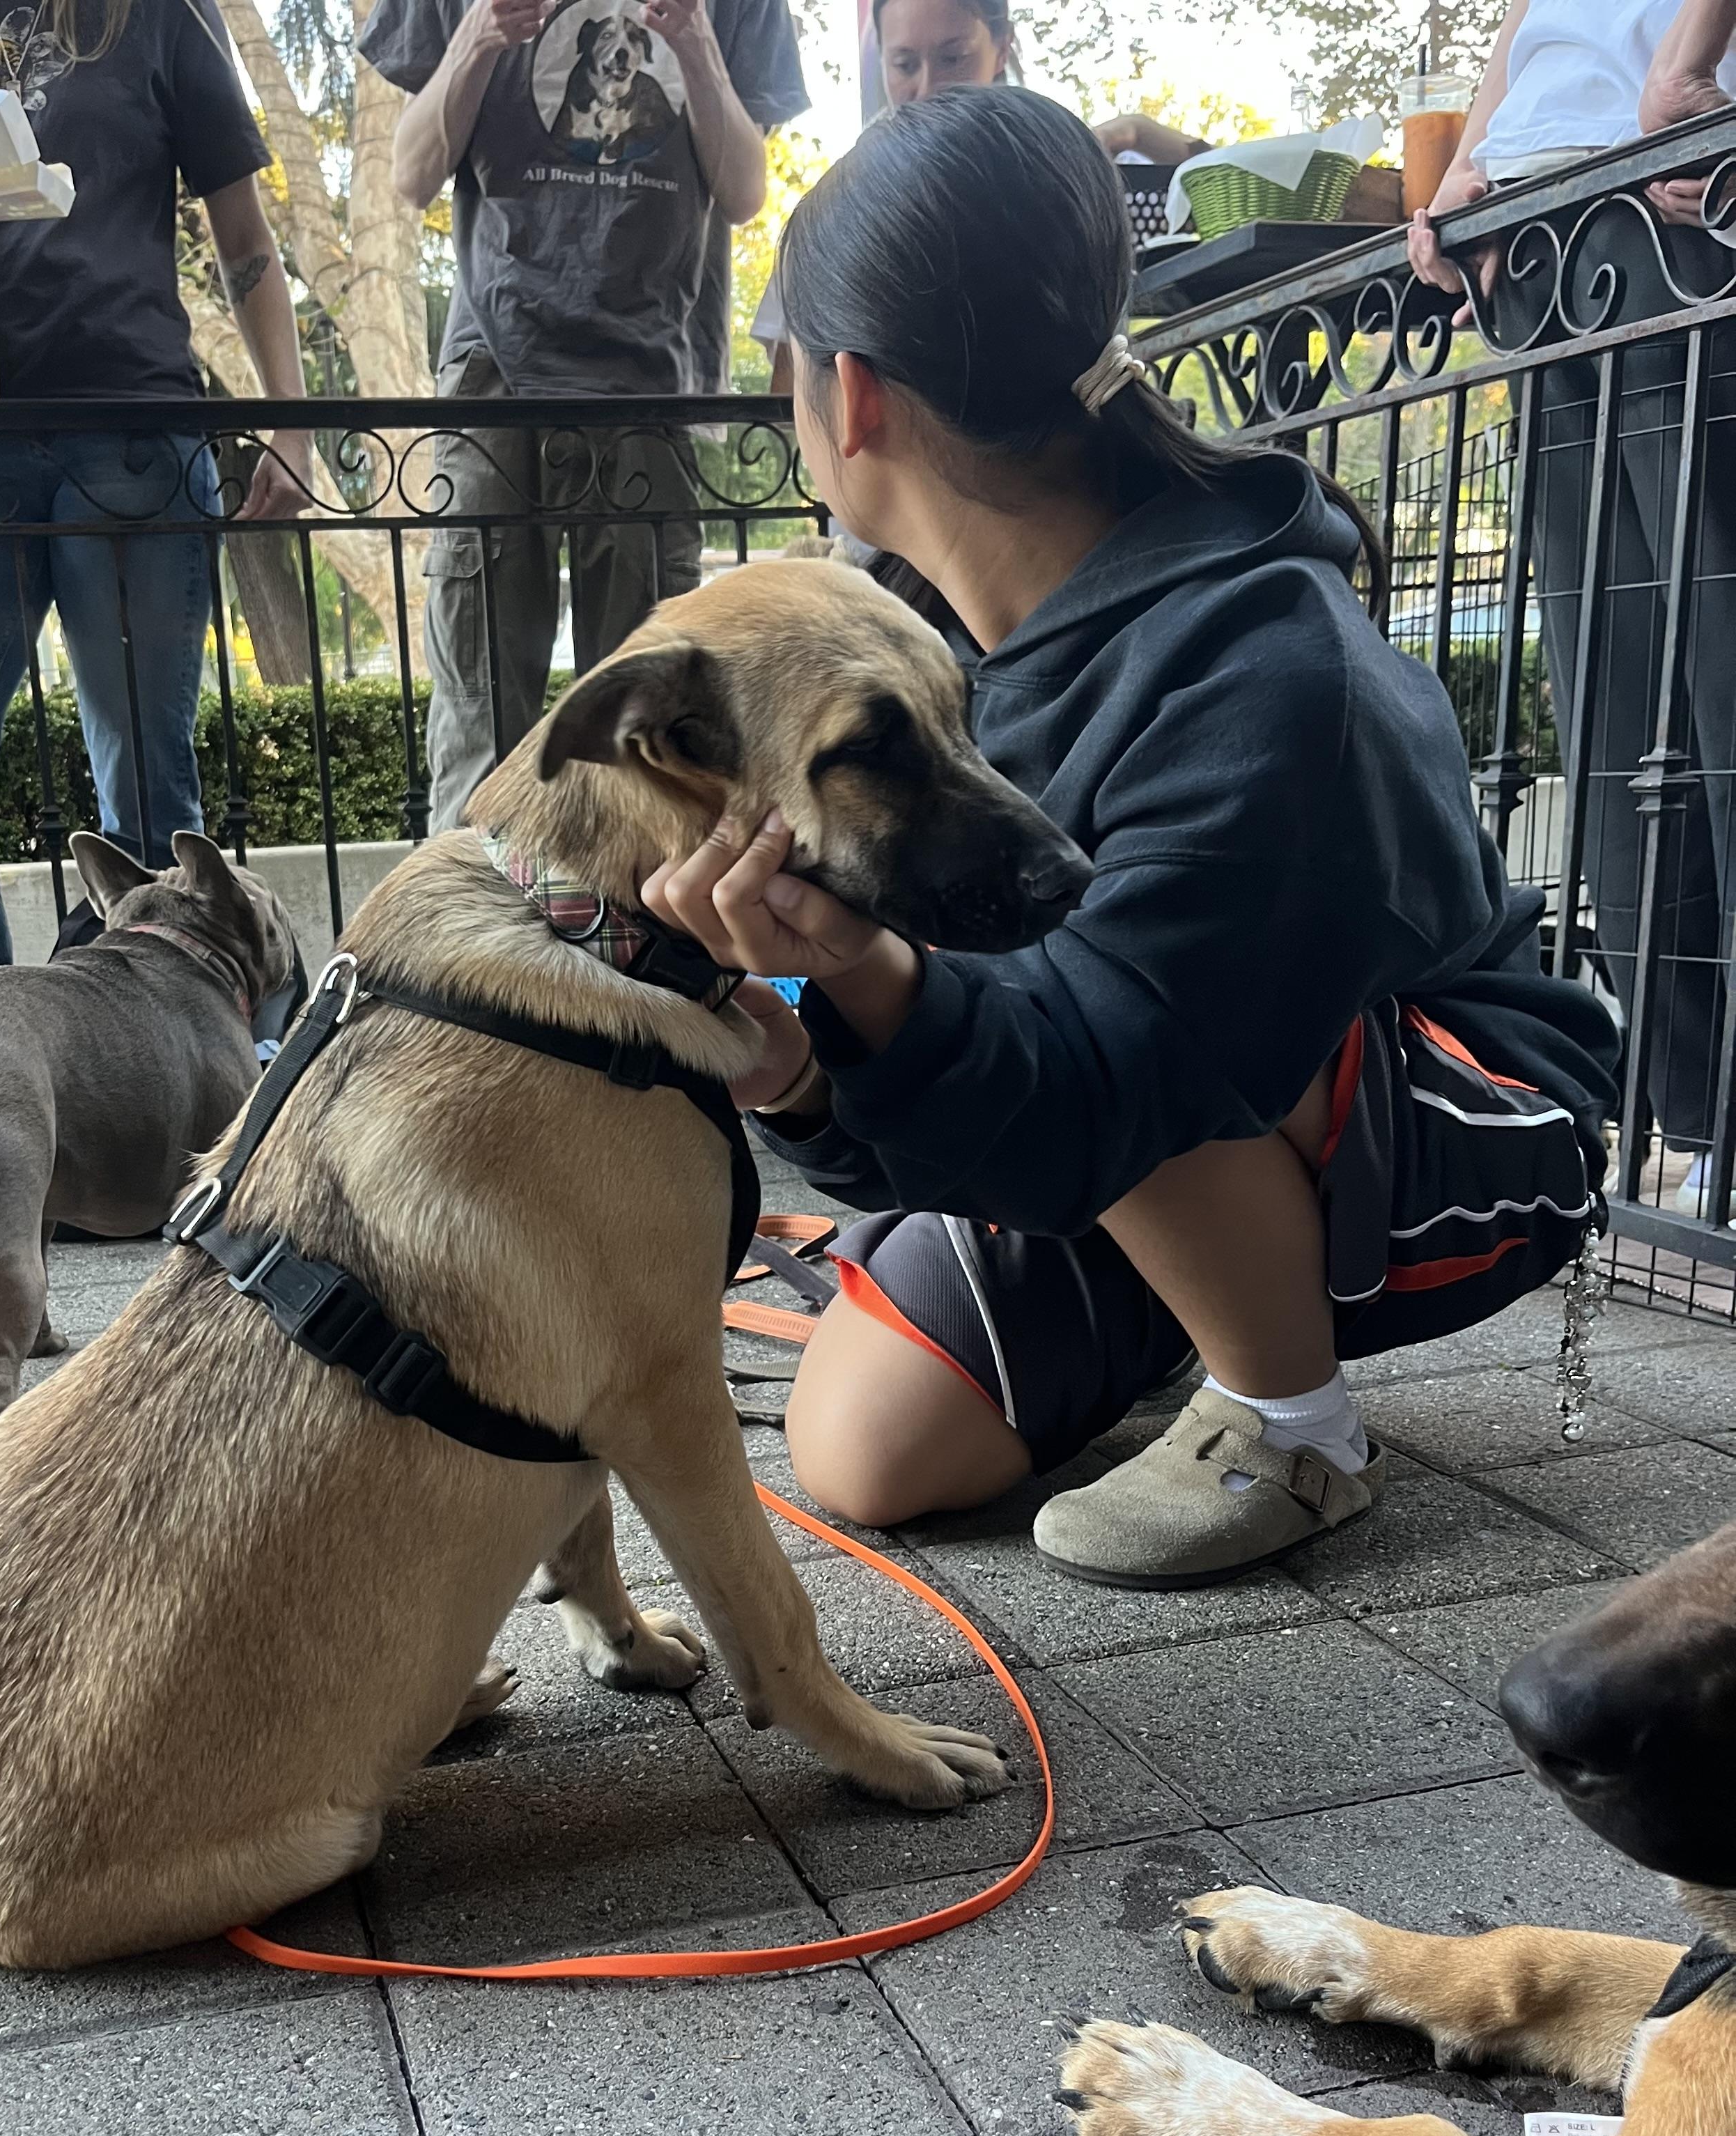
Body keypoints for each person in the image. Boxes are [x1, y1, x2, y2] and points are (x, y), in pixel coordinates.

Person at [642, 86, 1620, 1587]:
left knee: (1122, 1011)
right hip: (1137, 1091)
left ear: (849, 396)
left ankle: (1293, 1418)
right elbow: (970, 1048)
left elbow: (1110, 1054)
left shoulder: (1271, 674)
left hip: (1456, 1116)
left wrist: (876, 992)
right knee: (864, 1450)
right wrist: (785, 1044)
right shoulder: (914, 647)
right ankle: (1196, 1284)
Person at [0, 0, 315, 984]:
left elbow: (242, 229)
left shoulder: (162, 10)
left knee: (149, 804)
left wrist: (294, 424)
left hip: (133, 439)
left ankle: (176, 1089)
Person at [1410, 0, 1736, 1209]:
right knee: (1611, 713)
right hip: (1541, 243)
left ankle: (1715, 1136)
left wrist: (1684, 67)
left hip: (1675, 196)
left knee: (1716, 680)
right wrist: (1462, 173)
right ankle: (1698, 1126)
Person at [362, 0, 807, 833]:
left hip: (652, 384)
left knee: (648, 725)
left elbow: (746, 190)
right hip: (496, 376)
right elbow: (411, 173)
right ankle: (458, 950)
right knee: (480, 720)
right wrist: (478, 36)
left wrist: (696, 43)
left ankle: (641, 948)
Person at [755, 0, 1013, 390]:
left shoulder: (1047, 187)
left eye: (953, 59)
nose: (927, 90)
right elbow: (791, 383)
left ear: (1002, 49)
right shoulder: (839, 208)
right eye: (905, 65)